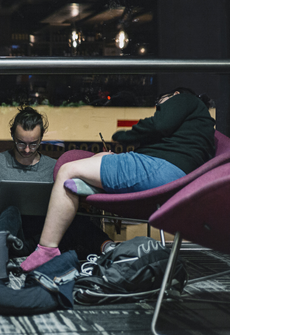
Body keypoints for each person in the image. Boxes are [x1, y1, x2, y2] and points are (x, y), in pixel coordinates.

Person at [21, 88, 216, 271]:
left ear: (174, 94)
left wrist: (127, 134)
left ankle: (47, 249)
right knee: (100, 158)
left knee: (67, 170)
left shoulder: (184, 98)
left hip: (158, 169)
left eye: (160, 103)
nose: (158, 107)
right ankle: (93, 187)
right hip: (165, 172)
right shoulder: (196, 128)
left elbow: (160, 124)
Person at [0, 106, 113, 259]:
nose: (27, 150)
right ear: (12, 135)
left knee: (72, 217)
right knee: (11, 211)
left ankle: (109, 247)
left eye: (33, 144)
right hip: (10, 233)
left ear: (41, 138)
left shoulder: (54, 167)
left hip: (44, 237)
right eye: (21, 143)